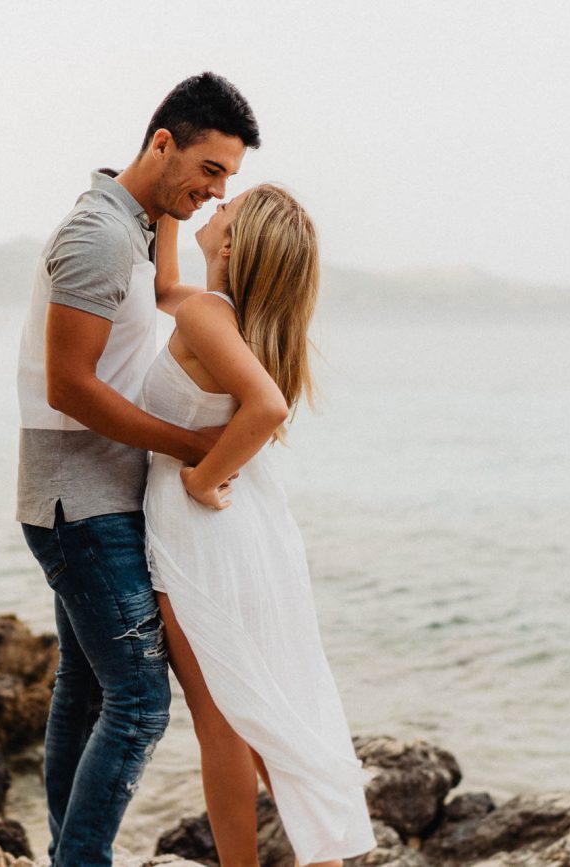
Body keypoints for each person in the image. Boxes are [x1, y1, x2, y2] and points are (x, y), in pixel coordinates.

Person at [15, 72, 260, 867]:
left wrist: (170, 213)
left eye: (230, 177)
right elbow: (70, 385)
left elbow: (161, 292)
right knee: (142, 703)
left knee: (86, 691)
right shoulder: (97, 234)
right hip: (77, 500)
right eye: (212, 170)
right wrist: (196, 447)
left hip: (90, 494)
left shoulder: (129, 221)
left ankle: (66, 853)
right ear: (164, 142)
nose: (219, 191)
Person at [142, 184, 376, 866]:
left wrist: (201, 475)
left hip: (202, 535)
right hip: (252, 534)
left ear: (237, 244)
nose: (214, 209)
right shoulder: (227, 319)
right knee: (268, 712)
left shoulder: (212, 315)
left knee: (223, 727)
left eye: (226, 209)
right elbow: (163, 288)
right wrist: (162, 208)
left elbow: (266, 408)